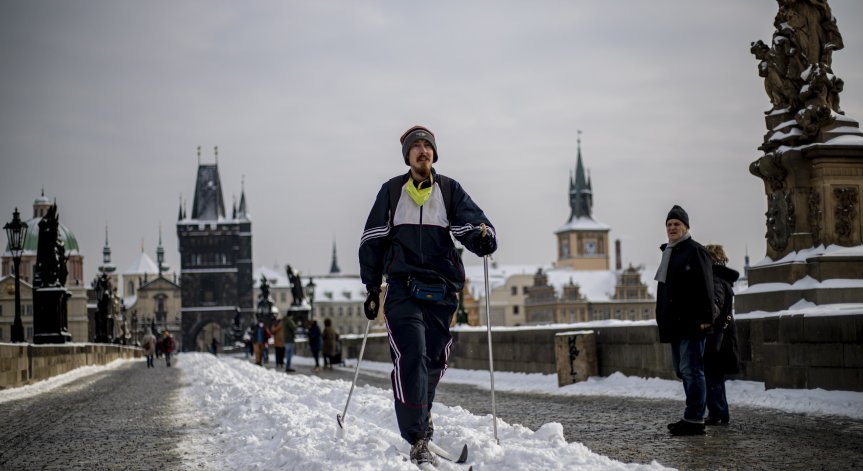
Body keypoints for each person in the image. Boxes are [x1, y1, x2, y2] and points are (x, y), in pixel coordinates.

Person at [359, 125, 497, 464]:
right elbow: (372, 240)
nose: (423, 151)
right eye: (416, 146)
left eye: (428, 146)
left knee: (434, 359)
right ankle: (418, 437)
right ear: (407, 155)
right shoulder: (392, 191)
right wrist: (372, 287)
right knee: (413, 354)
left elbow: (473, 225)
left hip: (441, 289)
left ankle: (422, 415)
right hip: (402, 289)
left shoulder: (449, 190)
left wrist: (483, 238)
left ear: (434, 153)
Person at [654, 205, 715, 436]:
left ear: (686, 227)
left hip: (692, 323)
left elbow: (706, 286)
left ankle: (695, 419)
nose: (672, 228)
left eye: (676, 224)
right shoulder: (670, 252)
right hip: (676, 324)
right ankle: (691, 415)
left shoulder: (695, 251)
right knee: (682, 371)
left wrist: (706, 318)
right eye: (669, 224)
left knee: (692, 371)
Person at [703, 244, 741, 426]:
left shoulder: (715, 278)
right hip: (723, 335)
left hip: (717, 335)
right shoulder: (722, 277)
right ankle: (720, 412)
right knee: (715, 376)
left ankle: (717, 412)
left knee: (712, 375)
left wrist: (705, 318)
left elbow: (716, 305)